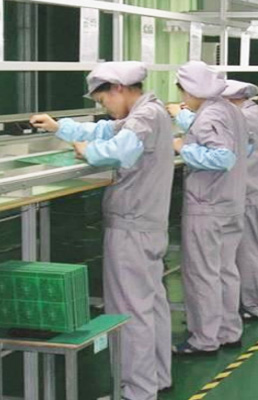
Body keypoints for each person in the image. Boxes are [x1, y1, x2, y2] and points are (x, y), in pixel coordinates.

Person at [30, 61, 174, 400]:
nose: (104, 107)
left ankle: (137, 390)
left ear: (119, 89)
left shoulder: (144, 117)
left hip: (132, 226)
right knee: (151, 303)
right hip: (147, 224)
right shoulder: (149, 112)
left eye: (103, 100)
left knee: (130, 309)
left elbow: (116, 149)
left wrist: (88, 152)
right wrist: (60, 127)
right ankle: (155, 378)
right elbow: (107, 130)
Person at [168, 61, 248, 354]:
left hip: (208, 205)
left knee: (202, 273)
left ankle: (204, 339)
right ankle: (228, 331)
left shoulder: (210, 114)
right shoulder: (229, 109)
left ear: (190, 90)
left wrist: (182, 148)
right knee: (225, 270)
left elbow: (222, 157)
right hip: (230, 202)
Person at [222, 79, 258, 318]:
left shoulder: (243, 118)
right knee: (253, 248)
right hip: (257, 188)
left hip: (249, 191)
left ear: (231, 100)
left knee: (247, 250)